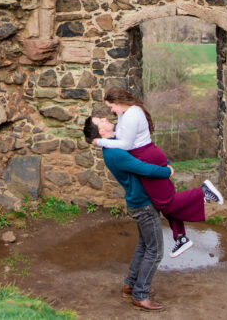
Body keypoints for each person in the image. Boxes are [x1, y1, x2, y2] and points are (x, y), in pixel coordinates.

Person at [92, 87, 224, 257]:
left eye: (111, 106)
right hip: (147, 154)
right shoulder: (126, 114)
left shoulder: (132, 114)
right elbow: (122, 135)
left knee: (165, 203)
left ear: (118, 102)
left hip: (146, 156)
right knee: (165, 199)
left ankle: (202, 193)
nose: (111, 110)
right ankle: (181, 237)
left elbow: (125, 144)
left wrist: (101, 142)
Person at [84, 115, 171, 312]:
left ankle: (130, 285)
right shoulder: (115, 152)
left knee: (144, 245)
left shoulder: (116, 144)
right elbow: (144, 169)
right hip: (143, 205)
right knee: (155, 251)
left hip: (139, 203)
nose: (106, 118)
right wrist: (167, 171)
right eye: (101, 120)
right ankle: (140, 295)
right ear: (101, 132)